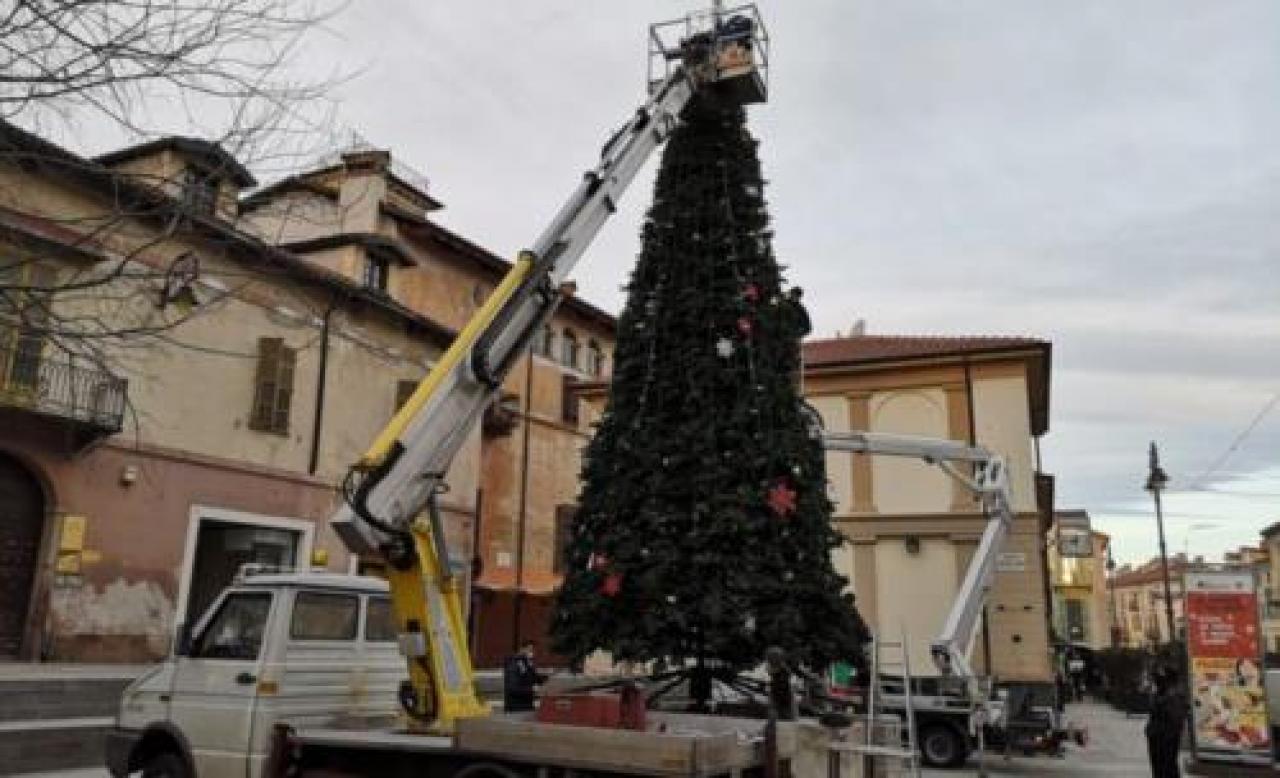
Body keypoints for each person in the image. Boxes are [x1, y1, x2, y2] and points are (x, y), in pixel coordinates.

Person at [1145, 665, 1188, 778]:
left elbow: (1176, 718)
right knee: (1158, 767)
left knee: (1167, 766)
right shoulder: (1160, 693)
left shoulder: (1175, 695)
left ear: (1169, 680)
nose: (1157, 682)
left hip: (1166, 737)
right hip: (1157, 735)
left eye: (1161, 679)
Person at [503, 640, 546, 712]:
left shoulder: (527, 663)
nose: (532, 653)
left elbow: (533, 678)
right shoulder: (514, 664)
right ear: (522, 649)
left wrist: (544, 679)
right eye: (530, 650)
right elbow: (513, 688)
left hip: (526, 706)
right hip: (516, 708)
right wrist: (532, 690)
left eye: (533, 650)